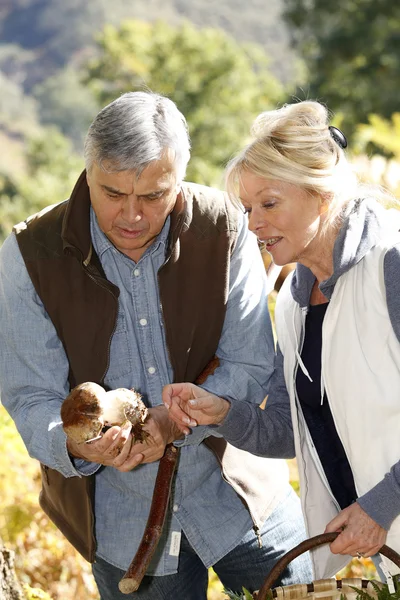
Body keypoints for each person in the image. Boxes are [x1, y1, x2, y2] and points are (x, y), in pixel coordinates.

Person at [0, 92, 312, 600]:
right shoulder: (27, 255)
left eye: (152, 196)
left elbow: (250, 362)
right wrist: (79, 443)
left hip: (242, 493)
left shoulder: (226, 226)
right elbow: (30, 396)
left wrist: (173, 420)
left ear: (179, 177)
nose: (132, 216)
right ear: (88, 171)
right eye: (113, 193)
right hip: (122, 526)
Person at [163, 100, 400, 581]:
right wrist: (225, 415)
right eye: (249, 209)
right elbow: (295, 432)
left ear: (322, 194)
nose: (253, 223)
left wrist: (381, 505)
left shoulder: (390, 266)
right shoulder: (293, 303)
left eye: (269, 203)